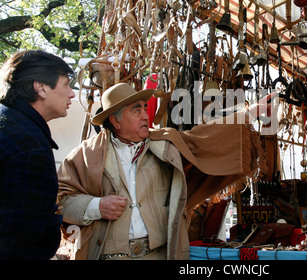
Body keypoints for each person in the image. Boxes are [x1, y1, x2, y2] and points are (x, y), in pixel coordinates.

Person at [57, 83, 276, 260]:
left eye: (145, 108)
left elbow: (206, 135)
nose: (146, 115)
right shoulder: (86, 156)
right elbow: (61, 201)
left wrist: (251, 111)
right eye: (137, 111)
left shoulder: (165, 144)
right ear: (115, 121)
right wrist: (96, 206)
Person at [0, 50, 75, 259]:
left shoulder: (10, 123)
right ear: (41, 87)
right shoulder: (28, 144)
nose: (72, 94)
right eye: (66, 84)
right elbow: (19, 239)